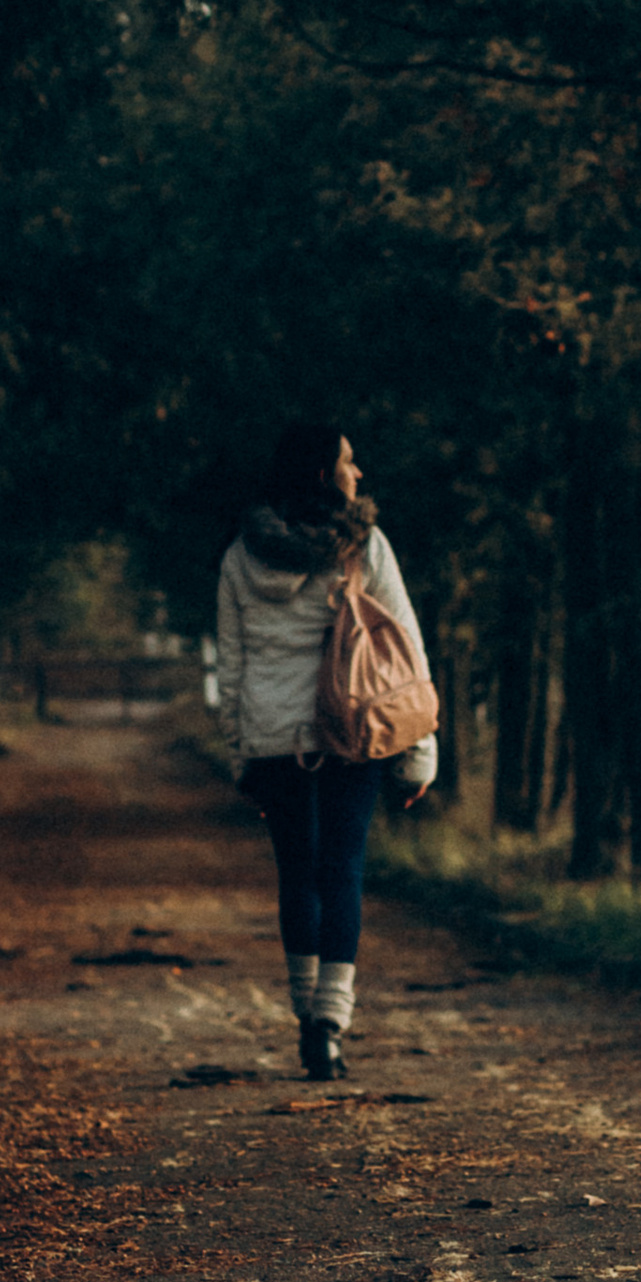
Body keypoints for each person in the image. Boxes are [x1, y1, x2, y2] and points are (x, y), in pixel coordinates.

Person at [215, 423, 437, 1080]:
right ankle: (330, 1027)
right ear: (321, 474)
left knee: (297, 873)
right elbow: (403, 652)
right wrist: (419, 750)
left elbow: (231, 665)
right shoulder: (363, 547)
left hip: (274, 735)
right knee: (341, 869)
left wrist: (241, 755)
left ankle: (303, 1015)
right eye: (347, 460)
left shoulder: (240, 557)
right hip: (353, 732)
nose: (357, 471)